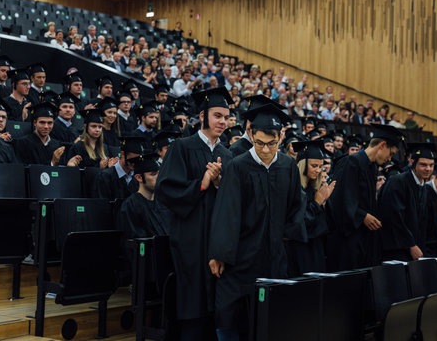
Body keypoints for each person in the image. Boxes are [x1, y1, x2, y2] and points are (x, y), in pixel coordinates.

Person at [208, 103, 307, 340]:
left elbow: (297, 204)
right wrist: (220, 253)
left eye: (271, 144)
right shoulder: (238, 166)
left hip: (274, 254)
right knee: (233, 314)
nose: (265, 149)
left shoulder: (288, 166)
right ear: (251, 134)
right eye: (259, 142)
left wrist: (287, 232)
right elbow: (226, 212)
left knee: (271, 316)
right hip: (242, 256)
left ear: (280, 137)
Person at [155, 87, 233, 341]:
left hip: (216, 237)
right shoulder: (181, 147)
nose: (222, 121)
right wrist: (203, 182)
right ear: (203, 116)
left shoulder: (227, 155)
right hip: (189, 236)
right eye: (217, 115)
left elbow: (234, 201)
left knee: (216, 300)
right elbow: (166, 189)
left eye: (226, 116)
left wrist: (220, 183)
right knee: (192, 300)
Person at [327, 125, 405, 271]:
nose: (390, 158)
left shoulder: (372, 167)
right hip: (347, 242)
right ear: (382, 145)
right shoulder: (350, 163)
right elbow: (339, 202)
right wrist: (363, 216)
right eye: (391, 153)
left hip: (363, 240)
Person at [378, 143, 436, 261]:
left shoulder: (424, 187)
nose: (428, 169)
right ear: (412, 162)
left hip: (415, 249)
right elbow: (393, 217)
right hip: (396, 250)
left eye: (431, 165)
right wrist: (410, 245)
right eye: (423, 165)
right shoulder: (398, 182)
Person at [287, 140, 336, 276]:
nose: (318, 170)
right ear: (302, 165)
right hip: (299, 250)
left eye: (321, 166)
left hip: (316, 247)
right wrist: (316, 203)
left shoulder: (314, 188)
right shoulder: (293, 189)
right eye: (314, 166)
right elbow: (297, 224)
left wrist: (325, 203)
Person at [117, 152, 171, 239]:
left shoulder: (163, 202)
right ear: (139, 177)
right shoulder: (130, 206)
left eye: (159, 173)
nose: (159, 177)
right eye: (153, 174)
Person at [13, 102, 79, 166]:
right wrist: (52, 163)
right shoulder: (23, 143)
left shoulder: (57, 146)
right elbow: (24, 171)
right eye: (42, 122)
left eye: (50, 123)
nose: (46, 126)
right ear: (35, 123)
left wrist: (68, 166)